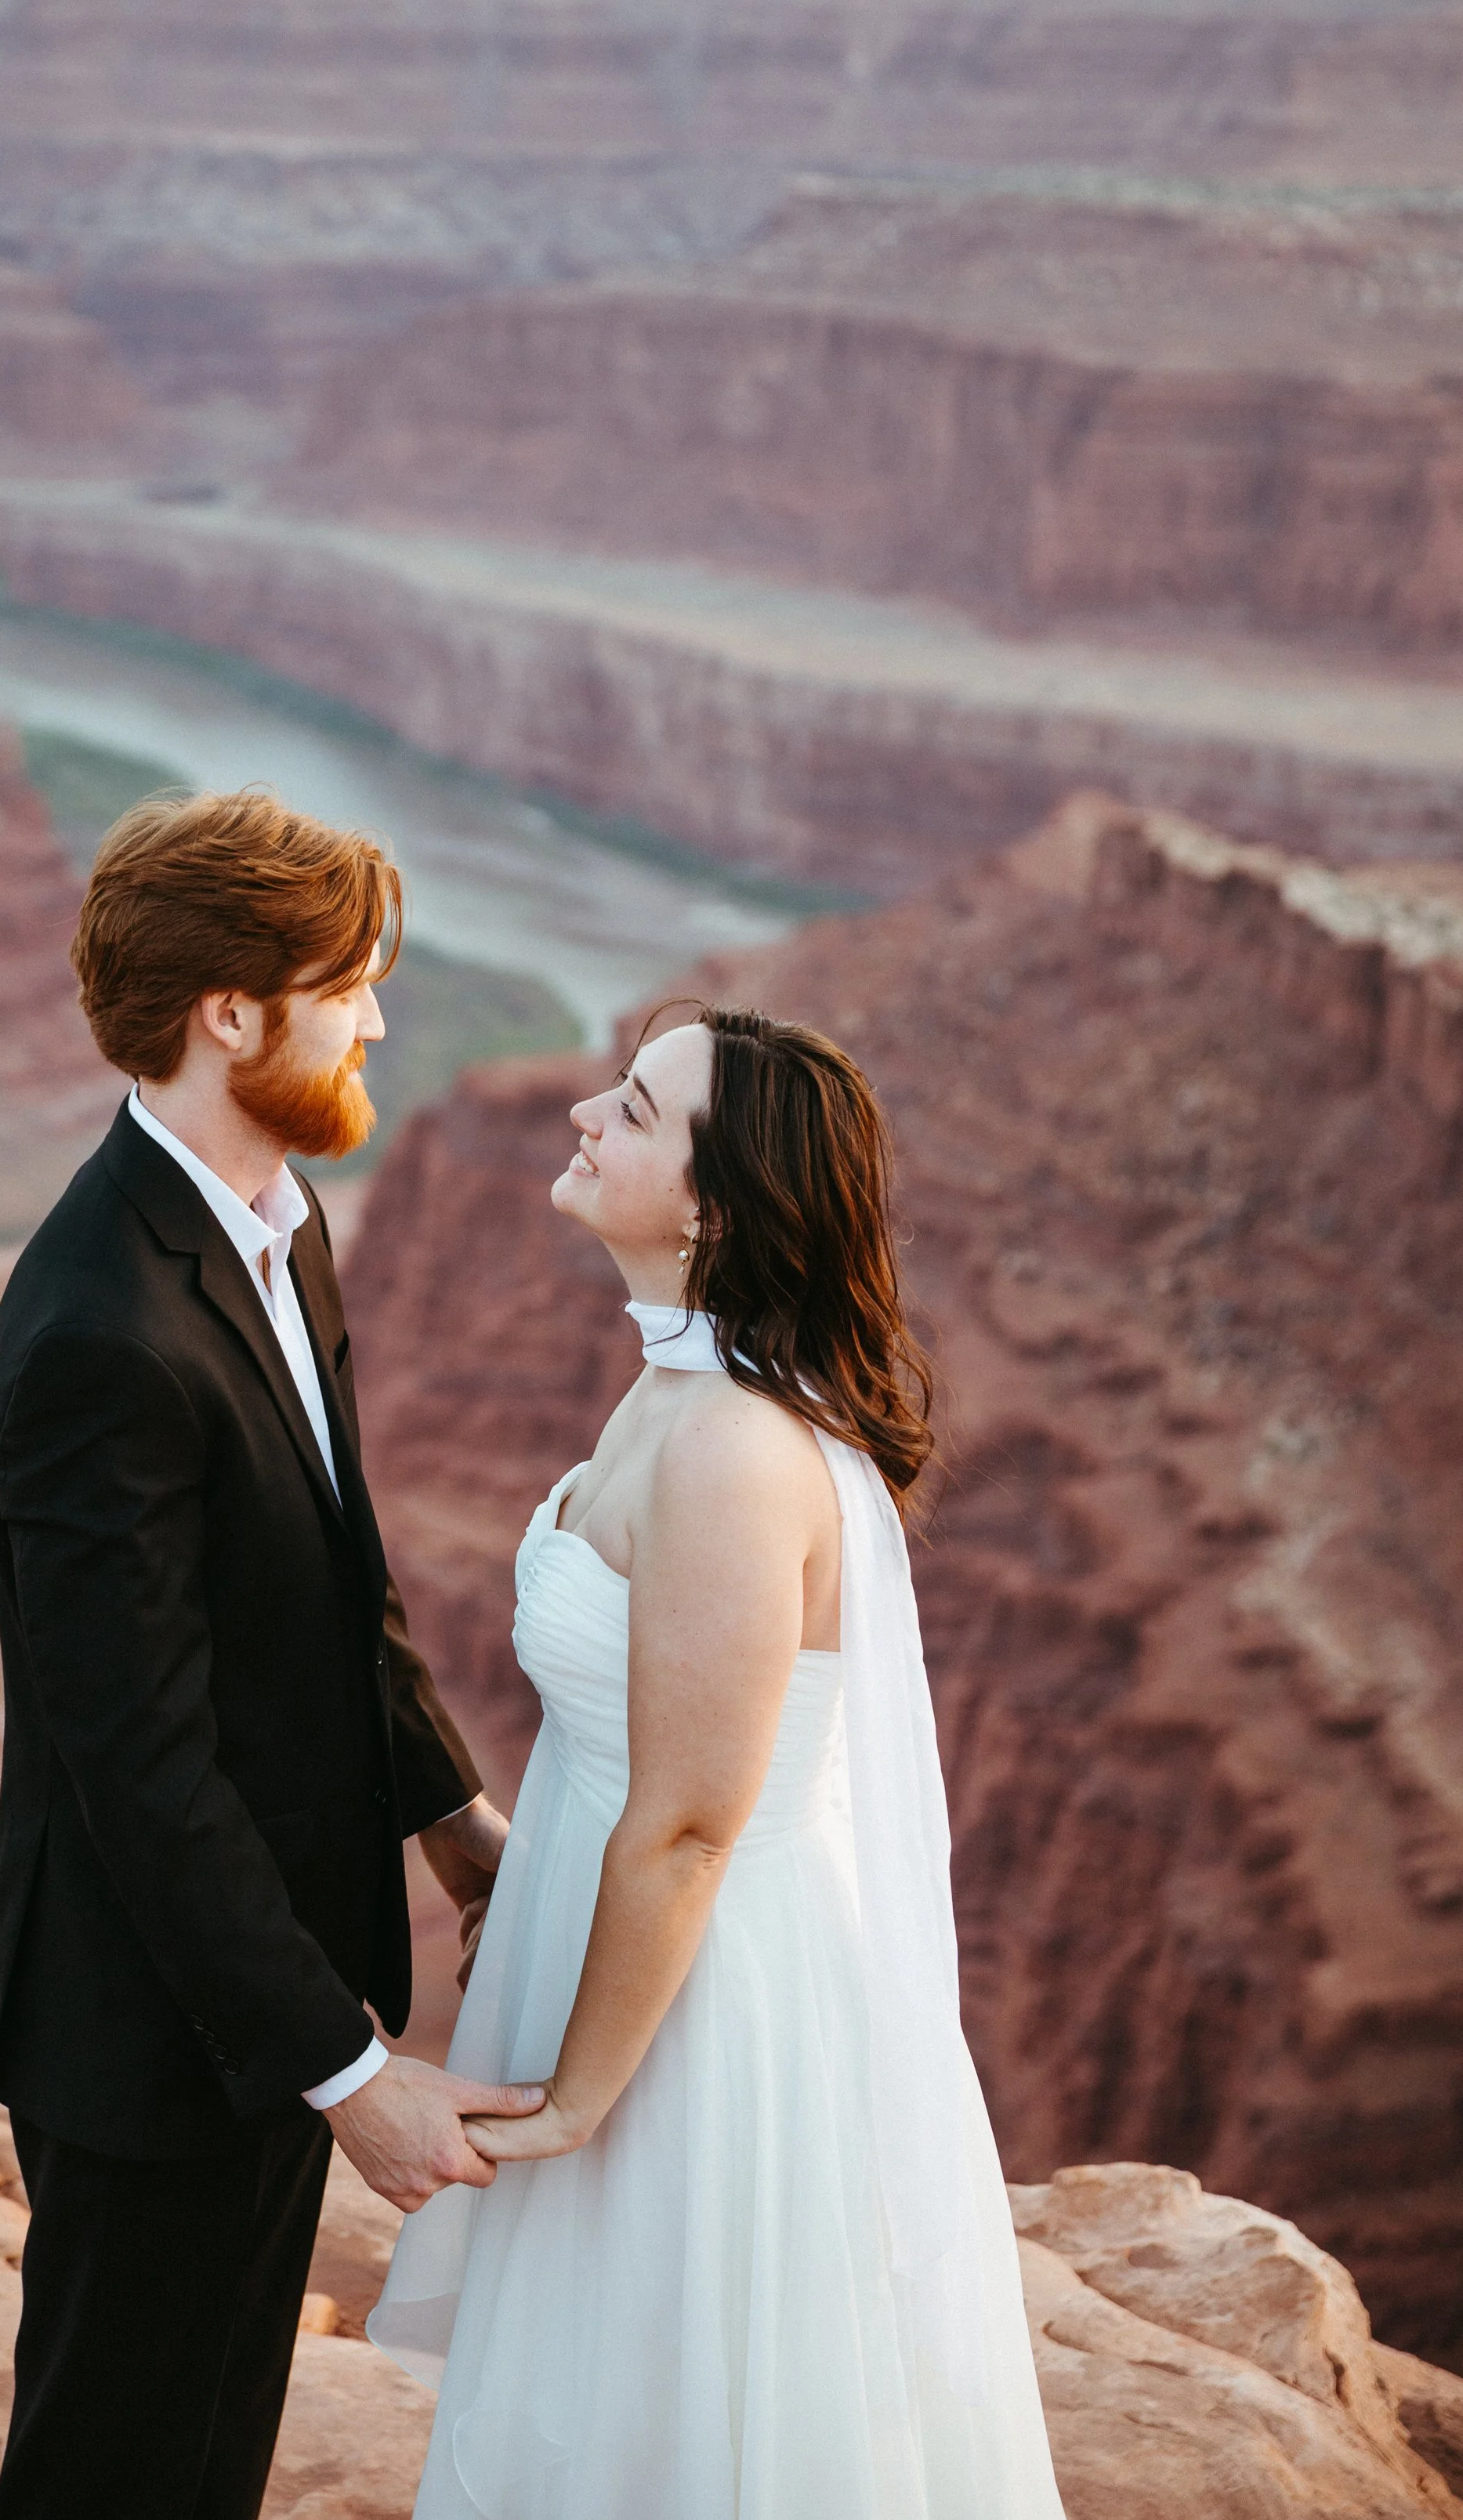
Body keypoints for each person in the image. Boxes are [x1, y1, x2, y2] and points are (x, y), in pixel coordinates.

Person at [370, 1005, 1067, 2518]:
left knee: (686, 2427)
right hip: (630, 1963)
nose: (581, 1118)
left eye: (630, 1108)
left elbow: (689, 1820)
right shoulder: (670, 1391)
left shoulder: (735, 1450)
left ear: (714, 1204)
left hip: (702, 2017)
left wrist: (575, 2106)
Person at [0, 787, 542, 2520]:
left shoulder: (275, 1230)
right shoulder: (100, 1329)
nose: (376, 1017)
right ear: (233, 1011)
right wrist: (351, 2076)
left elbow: (332, 1585)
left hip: (258, 1996)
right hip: (153, 2038)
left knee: (204, 2474)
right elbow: (131, 1761)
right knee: (112, 2482)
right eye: (351, 982)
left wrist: (450, 1819)